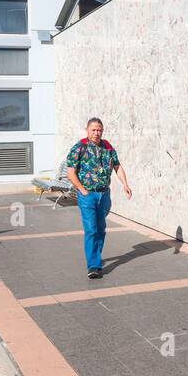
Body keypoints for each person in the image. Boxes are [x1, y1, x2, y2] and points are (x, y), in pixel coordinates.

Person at [66, 117, 132, 279]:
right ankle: (93, 266)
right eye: (93, 130)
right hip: (87, 195)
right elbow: (70, 173)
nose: (96, 133)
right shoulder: (79, 148)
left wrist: (125, 184)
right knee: (91, 229)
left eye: (99, 130)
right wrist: (82, 190)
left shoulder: (107, 147)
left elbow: (117, 166)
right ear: (87, 130)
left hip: (104, 194)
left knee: (101, 228)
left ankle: (96, 256)